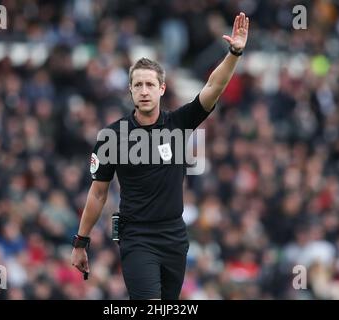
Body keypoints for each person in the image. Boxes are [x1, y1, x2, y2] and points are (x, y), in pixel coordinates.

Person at [71, 12, 250, 300]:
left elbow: (213, 87)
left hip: (175, 238)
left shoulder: (179, 123)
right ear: (130, 90)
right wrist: (81, 242)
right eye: (138, 85)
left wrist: (235, 52)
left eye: (150, 85)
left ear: (162, 89)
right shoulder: (112, 136)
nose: (144, 91)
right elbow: (98, 194)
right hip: (136, 237)